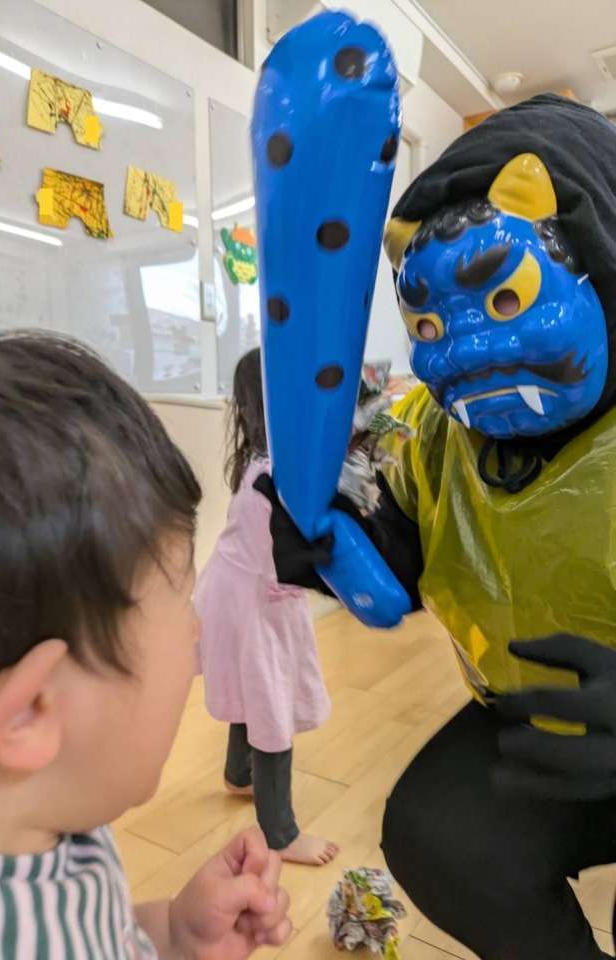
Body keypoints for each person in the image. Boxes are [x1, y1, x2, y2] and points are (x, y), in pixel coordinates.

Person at [257, 94, 616, 959]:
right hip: (528, 719)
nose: (462, 351)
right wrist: (335, 538)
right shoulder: (434, 432)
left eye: (504, 298)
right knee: (440, 838)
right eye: (428, 322)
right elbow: (407, 550)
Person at [0, 301, 292, 959]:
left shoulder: (46, 812)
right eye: (184, 607)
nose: (196, 632)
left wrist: (173, 932)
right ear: (32, 711)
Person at [195, 348, 337, 867]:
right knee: (270, 706)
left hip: (239, 594)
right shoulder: (273, 476)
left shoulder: (261, 462)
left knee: (249, 689)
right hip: (252, 602)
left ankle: (239, 775)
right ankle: (280, 834)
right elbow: (294, 556)